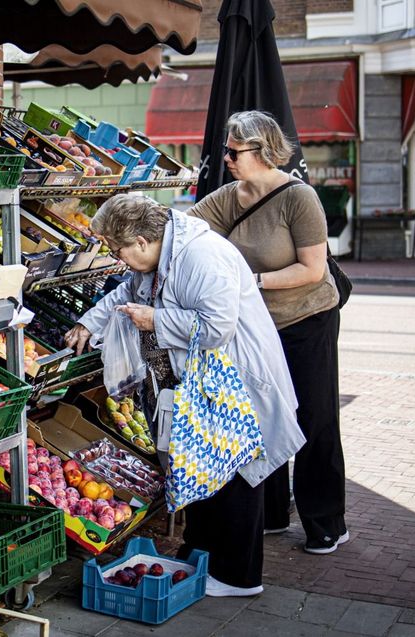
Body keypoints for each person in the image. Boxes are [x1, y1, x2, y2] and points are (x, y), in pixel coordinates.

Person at [64, 193, 305, 597]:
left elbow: (217, 328)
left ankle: (237, 577)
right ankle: (203, 557)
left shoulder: (202, 256)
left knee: (235, 474)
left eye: (117, 248)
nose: (117, 258)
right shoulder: (160, 257)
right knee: (205, 470)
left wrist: (156, 319)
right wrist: (90, 323)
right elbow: (126, 294)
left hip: (236, 383)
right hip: (206, 386)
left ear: (141, 241)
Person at [186, 111, 348, 555]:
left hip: (307, 320)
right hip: (256, 327)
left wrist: (250, 282)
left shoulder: (300, 199)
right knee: (260, 416)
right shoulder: (228, 197)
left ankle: (325, 521)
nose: (227, 159)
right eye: (227, 151)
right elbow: (185, 231)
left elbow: (313, 270)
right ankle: (273, 513)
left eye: (234, 152)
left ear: (262, 151)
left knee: (314, 418)